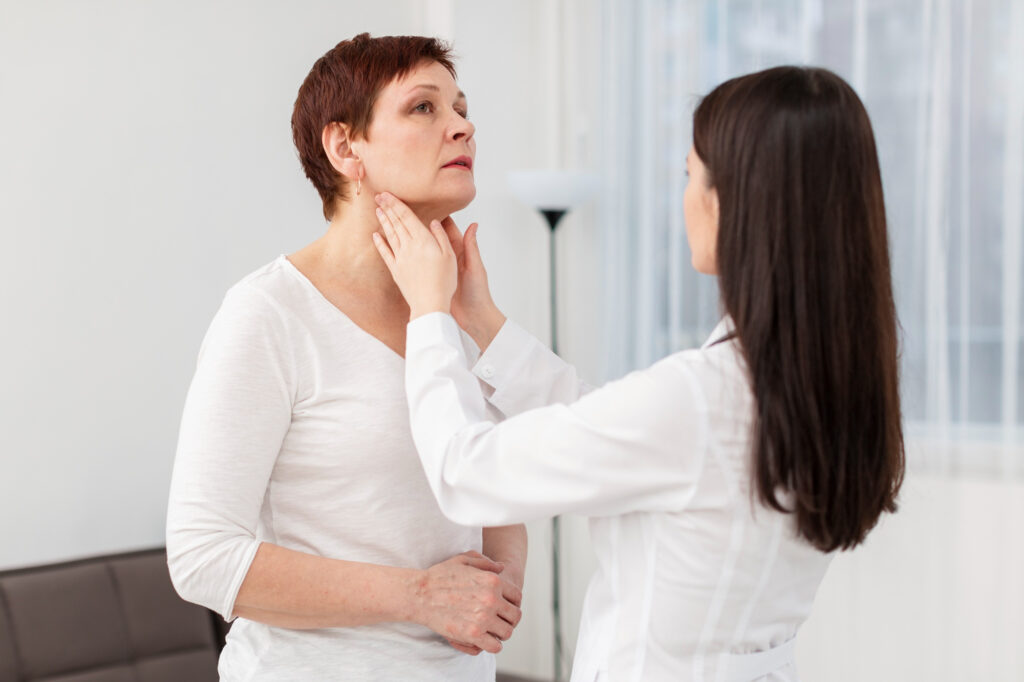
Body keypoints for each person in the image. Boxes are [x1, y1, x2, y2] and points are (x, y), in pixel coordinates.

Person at [371, 65, 905, 681]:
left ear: (732, 200)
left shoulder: (704, 398)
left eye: (689, 174)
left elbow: (466, 474)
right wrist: (484, 323)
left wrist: (430, 315)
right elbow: (616, 427)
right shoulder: (826, 378)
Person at [166, 33, 526, 681]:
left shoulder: (459, 311)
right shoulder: (269, 314)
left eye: (462, 108)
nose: (463, 126)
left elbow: (495, 491)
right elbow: (202, 555)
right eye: (424, 107)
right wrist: (418, 596)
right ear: (344, 147)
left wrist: (497, 595)